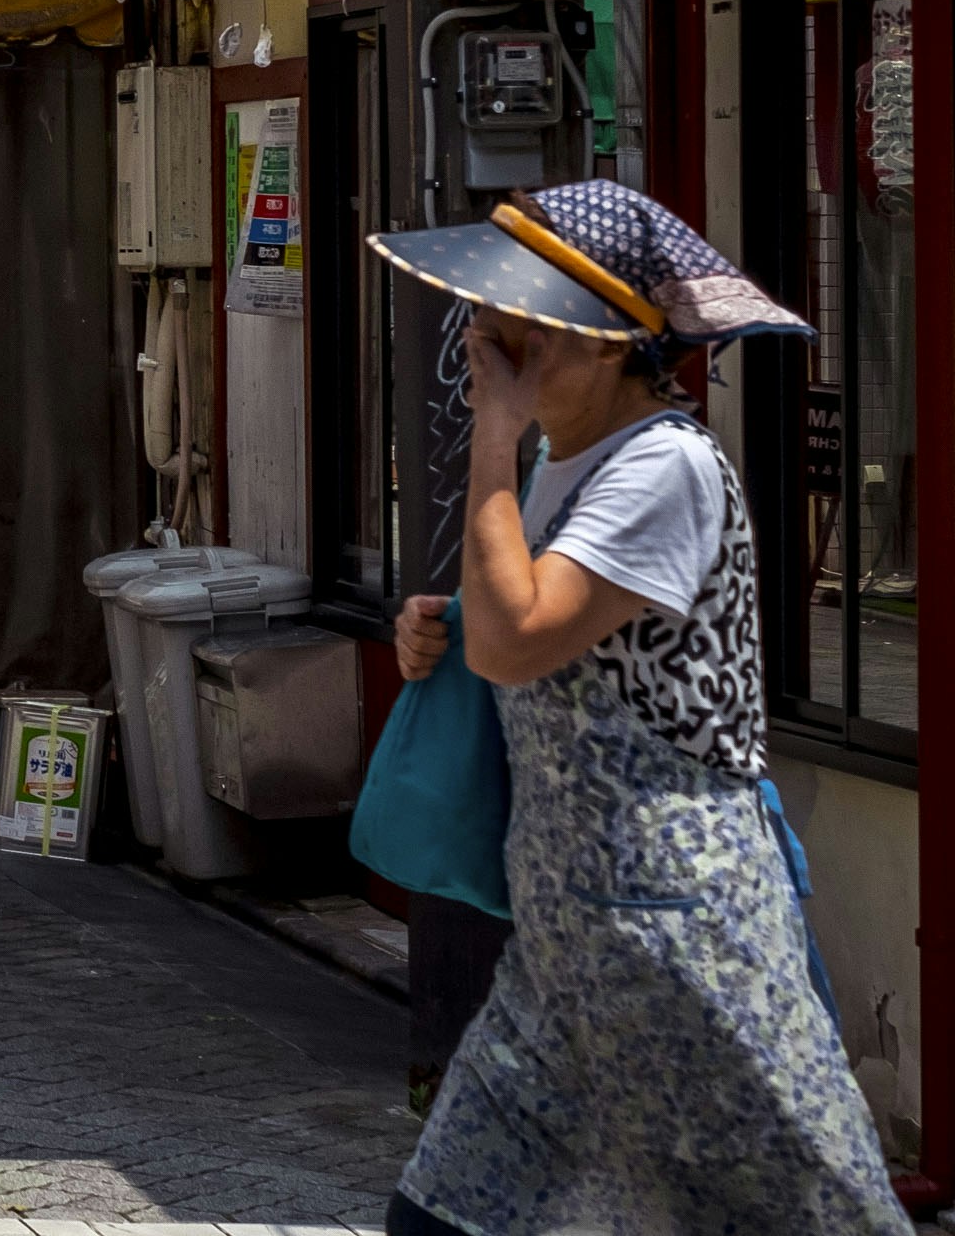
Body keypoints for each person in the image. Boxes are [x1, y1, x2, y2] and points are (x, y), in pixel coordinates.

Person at [371, 180, 903, 1236]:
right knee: (445, 1219)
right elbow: (527, 629)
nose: (491, 340)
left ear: (611, 341)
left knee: (797, 1212)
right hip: (572, 952)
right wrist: (441, 624)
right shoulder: (569, 461)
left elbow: (523, 639)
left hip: (681, 943)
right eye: (488, 314)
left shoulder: (662, 465)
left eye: (523, 320)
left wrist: (489, 440)